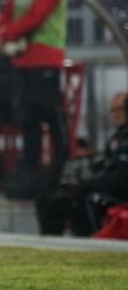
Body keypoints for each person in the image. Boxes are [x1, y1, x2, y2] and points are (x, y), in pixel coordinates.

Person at [0, 0, 69, 202]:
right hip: (22, 58)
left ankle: (60, 169)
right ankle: (33, 176)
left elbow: (37, 15)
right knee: (28, 119)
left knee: (51, 116)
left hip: (45, 54)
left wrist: (3, 34)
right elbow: (11, 10)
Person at [40, 92, 128, 235]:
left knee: (84, 191)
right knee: (51, 197)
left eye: (120, 109)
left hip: (120, 186)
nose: (116, 114)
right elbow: (102, 163)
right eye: (113, 110)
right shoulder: (115, 137)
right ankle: (50, 239)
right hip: (107, 180)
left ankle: (89, 238)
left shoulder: (123, 138)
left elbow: (120, 172)